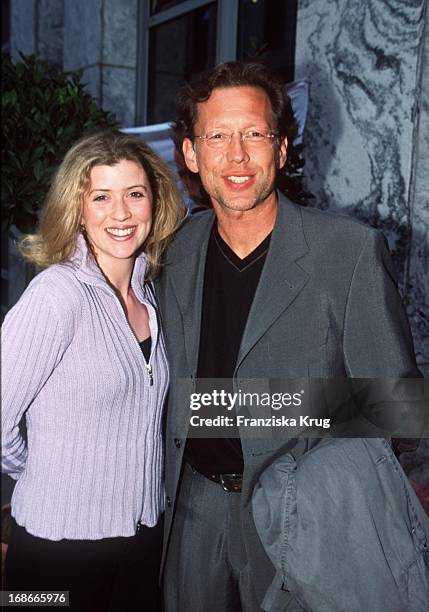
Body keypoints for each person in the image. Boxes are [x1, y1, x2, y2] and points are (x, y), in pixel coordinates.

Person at [155, 61, 422, 611]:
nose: (236, 156)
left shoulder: (348, 251)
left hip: (301, 515)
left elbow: (401, 411)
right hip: (191, 512)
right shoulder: (174, 250)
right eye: (217, 136)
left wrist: (239, 407)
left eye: (254, 134)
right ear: (189, 154)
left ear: (280, 150)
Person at [1, 129, 185, 611]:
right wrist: (39, 471)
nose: (120, 213)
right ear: (77, 209)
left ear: (155, 201)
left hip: (142, 543)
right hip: (54, 550)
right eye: (100, 197)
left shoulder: (151, 296)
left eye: (134, 194)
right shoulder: (57, 295)